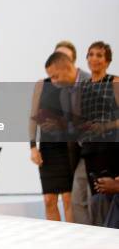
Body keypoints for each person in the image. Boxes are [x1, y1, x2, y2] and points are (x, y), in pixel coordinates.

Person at [30, 52, 79, 221]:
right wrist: (32, 147)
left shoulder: (73, 85)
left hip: (68, 148)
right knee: (49, 199)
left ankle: (73, 239)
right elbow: (33, 116)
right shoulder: (42, 84)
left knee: (68, 198)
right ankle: (55, 240)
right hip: (48, 148)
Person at [75, 41, 119, 224]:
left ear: (107, 61)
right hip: (90, 150)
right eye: (91, 54)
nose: (94, 58)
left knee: (108, 197)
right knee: (92, 199)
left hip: (111, 149)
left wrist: (105, 126)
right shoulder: (82, 86)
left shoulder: (114, 82)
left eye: (99, 55)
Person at [52, 40, 92, 224]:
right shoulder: (62, 90)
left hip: (99, 150)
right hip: (79, 152)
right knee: (78, 199)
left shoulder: (90, 82)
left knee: (91, 201)